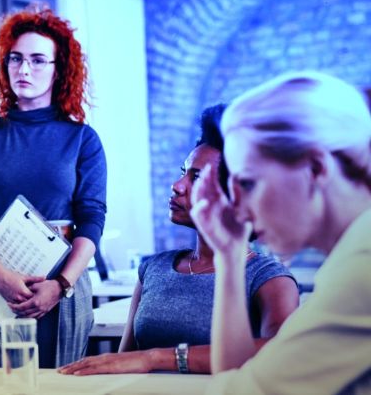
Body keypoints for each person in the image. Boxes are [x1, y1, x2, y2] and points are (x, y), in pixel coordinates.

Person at [60, 104, 299, 375]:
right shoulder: (154, 268)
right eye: (183, 171)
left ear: (236, 192)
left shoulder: (267, 277)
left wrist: (155, 358)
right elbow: (123, 361)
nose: (177, 185)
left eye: (197, 177)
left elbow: (281, 352)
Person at [191, 72, 371, 393]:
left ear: (315, 168)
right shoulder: (351, 256)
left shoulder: (361, 267)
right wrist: (230, 255)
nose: (240, 212)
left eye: (249, 183)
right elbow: (248, 376)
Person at [0, 8, 107, 368]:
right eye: (16, 58)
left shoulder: (83, 139)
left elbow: (92, 219)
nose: (24, 69)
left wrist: (61, 284)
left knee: (60, 386)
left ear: (58, 69)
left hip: (61, 284)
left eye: (37, 60)